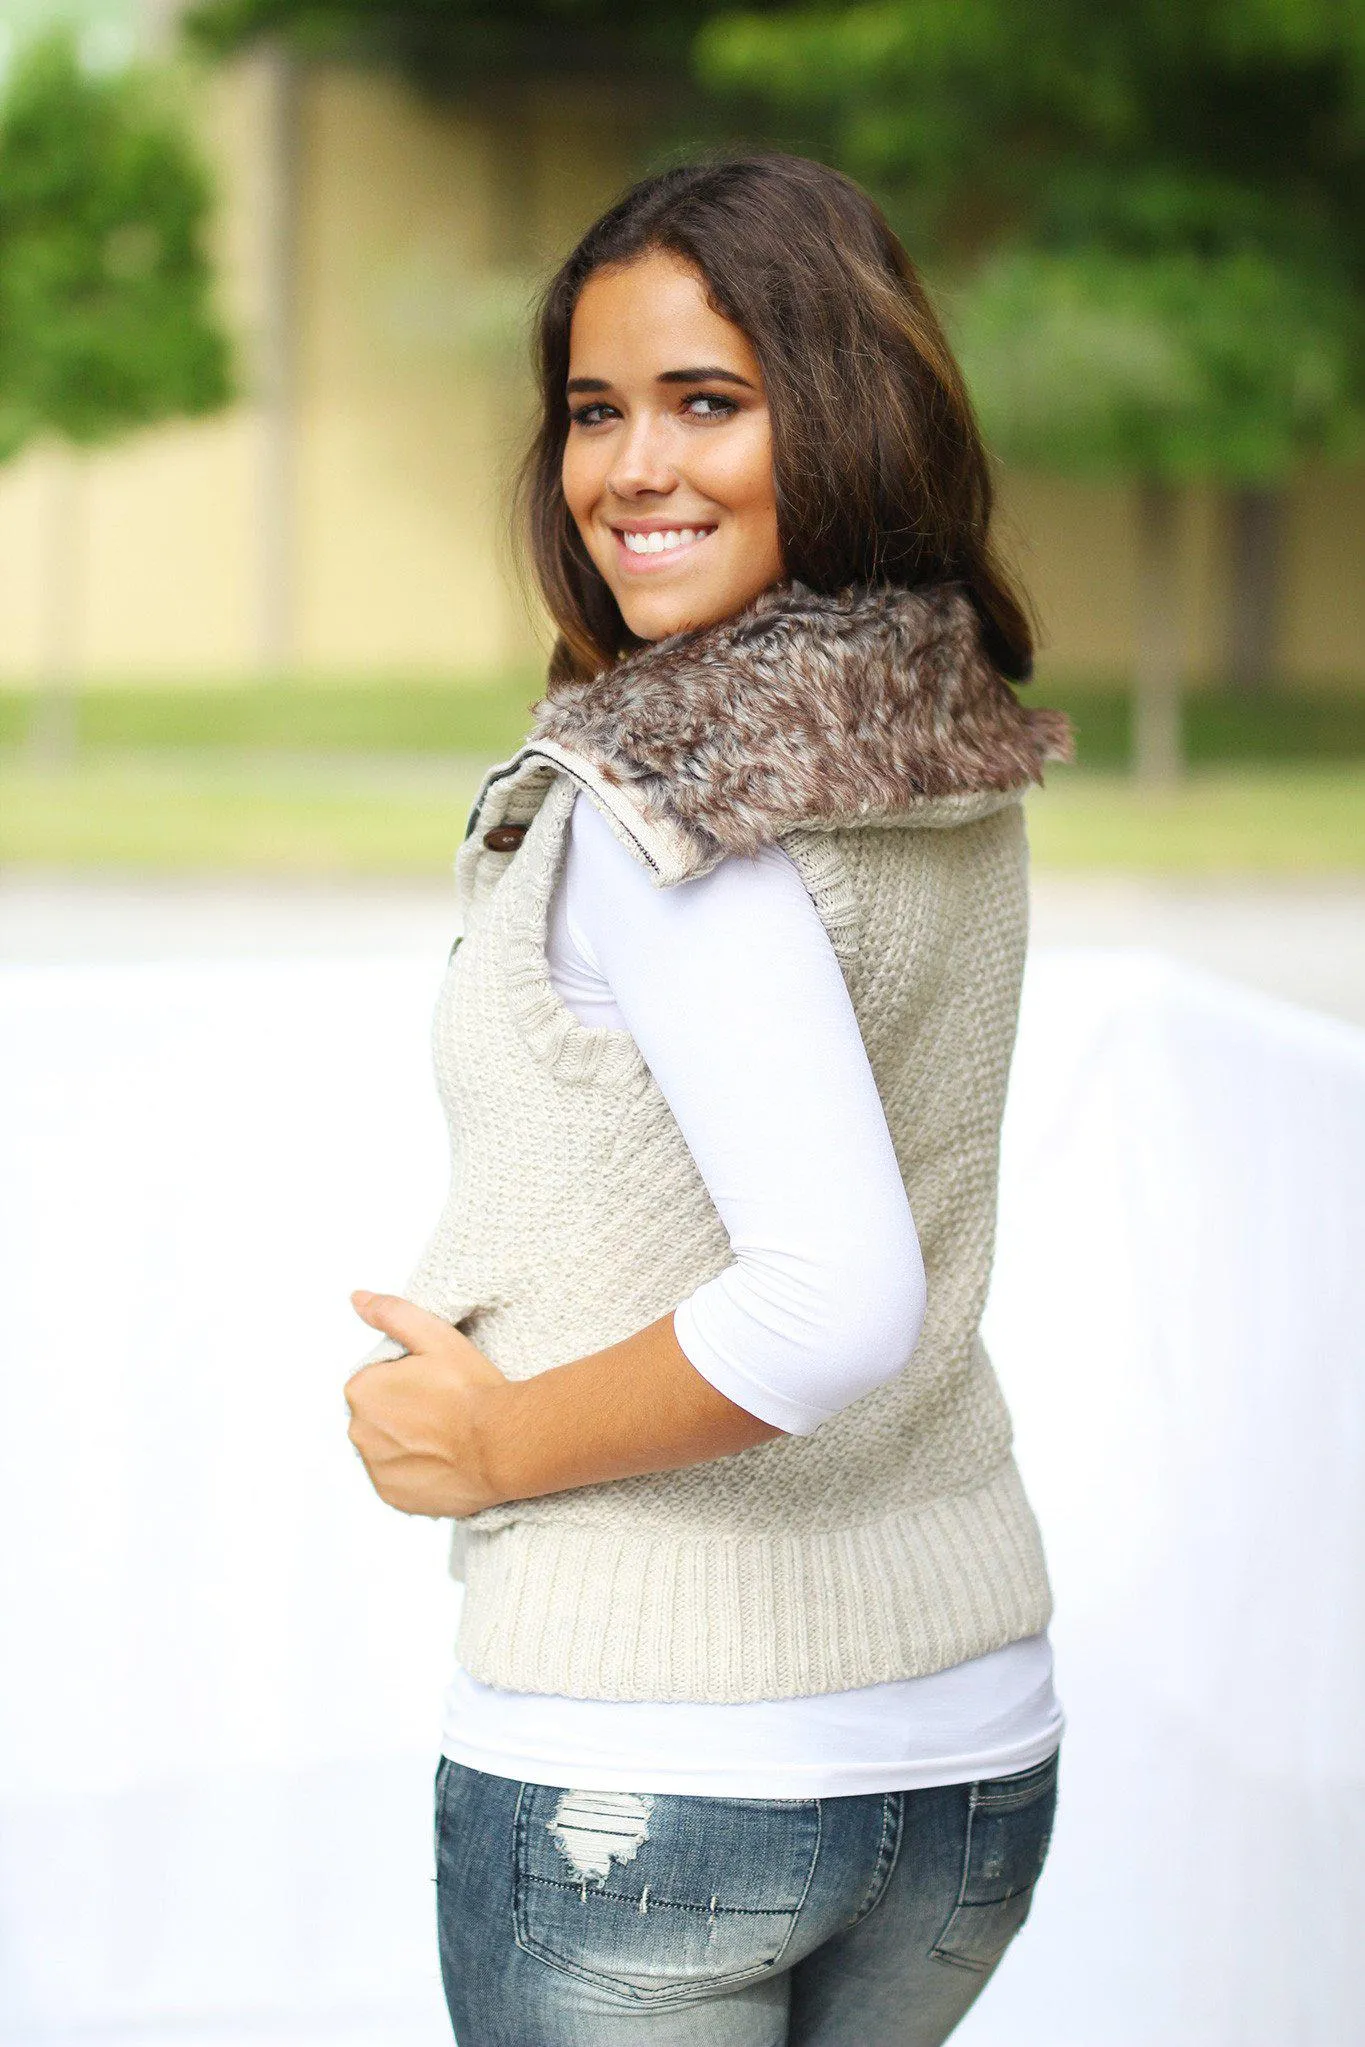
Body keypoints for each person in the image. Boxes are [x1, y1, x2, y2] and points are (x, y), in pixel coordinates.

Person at [343, 153, 1074, 2047]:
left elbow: (836, 1297)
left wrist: (487, 1449)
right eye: (594, 410)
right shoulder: (937, 735)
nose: (629, 470)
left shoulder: (669, 802)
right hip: (967, 1750)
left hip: (657, 1761)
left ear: (839, 411)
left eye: (708, 401)